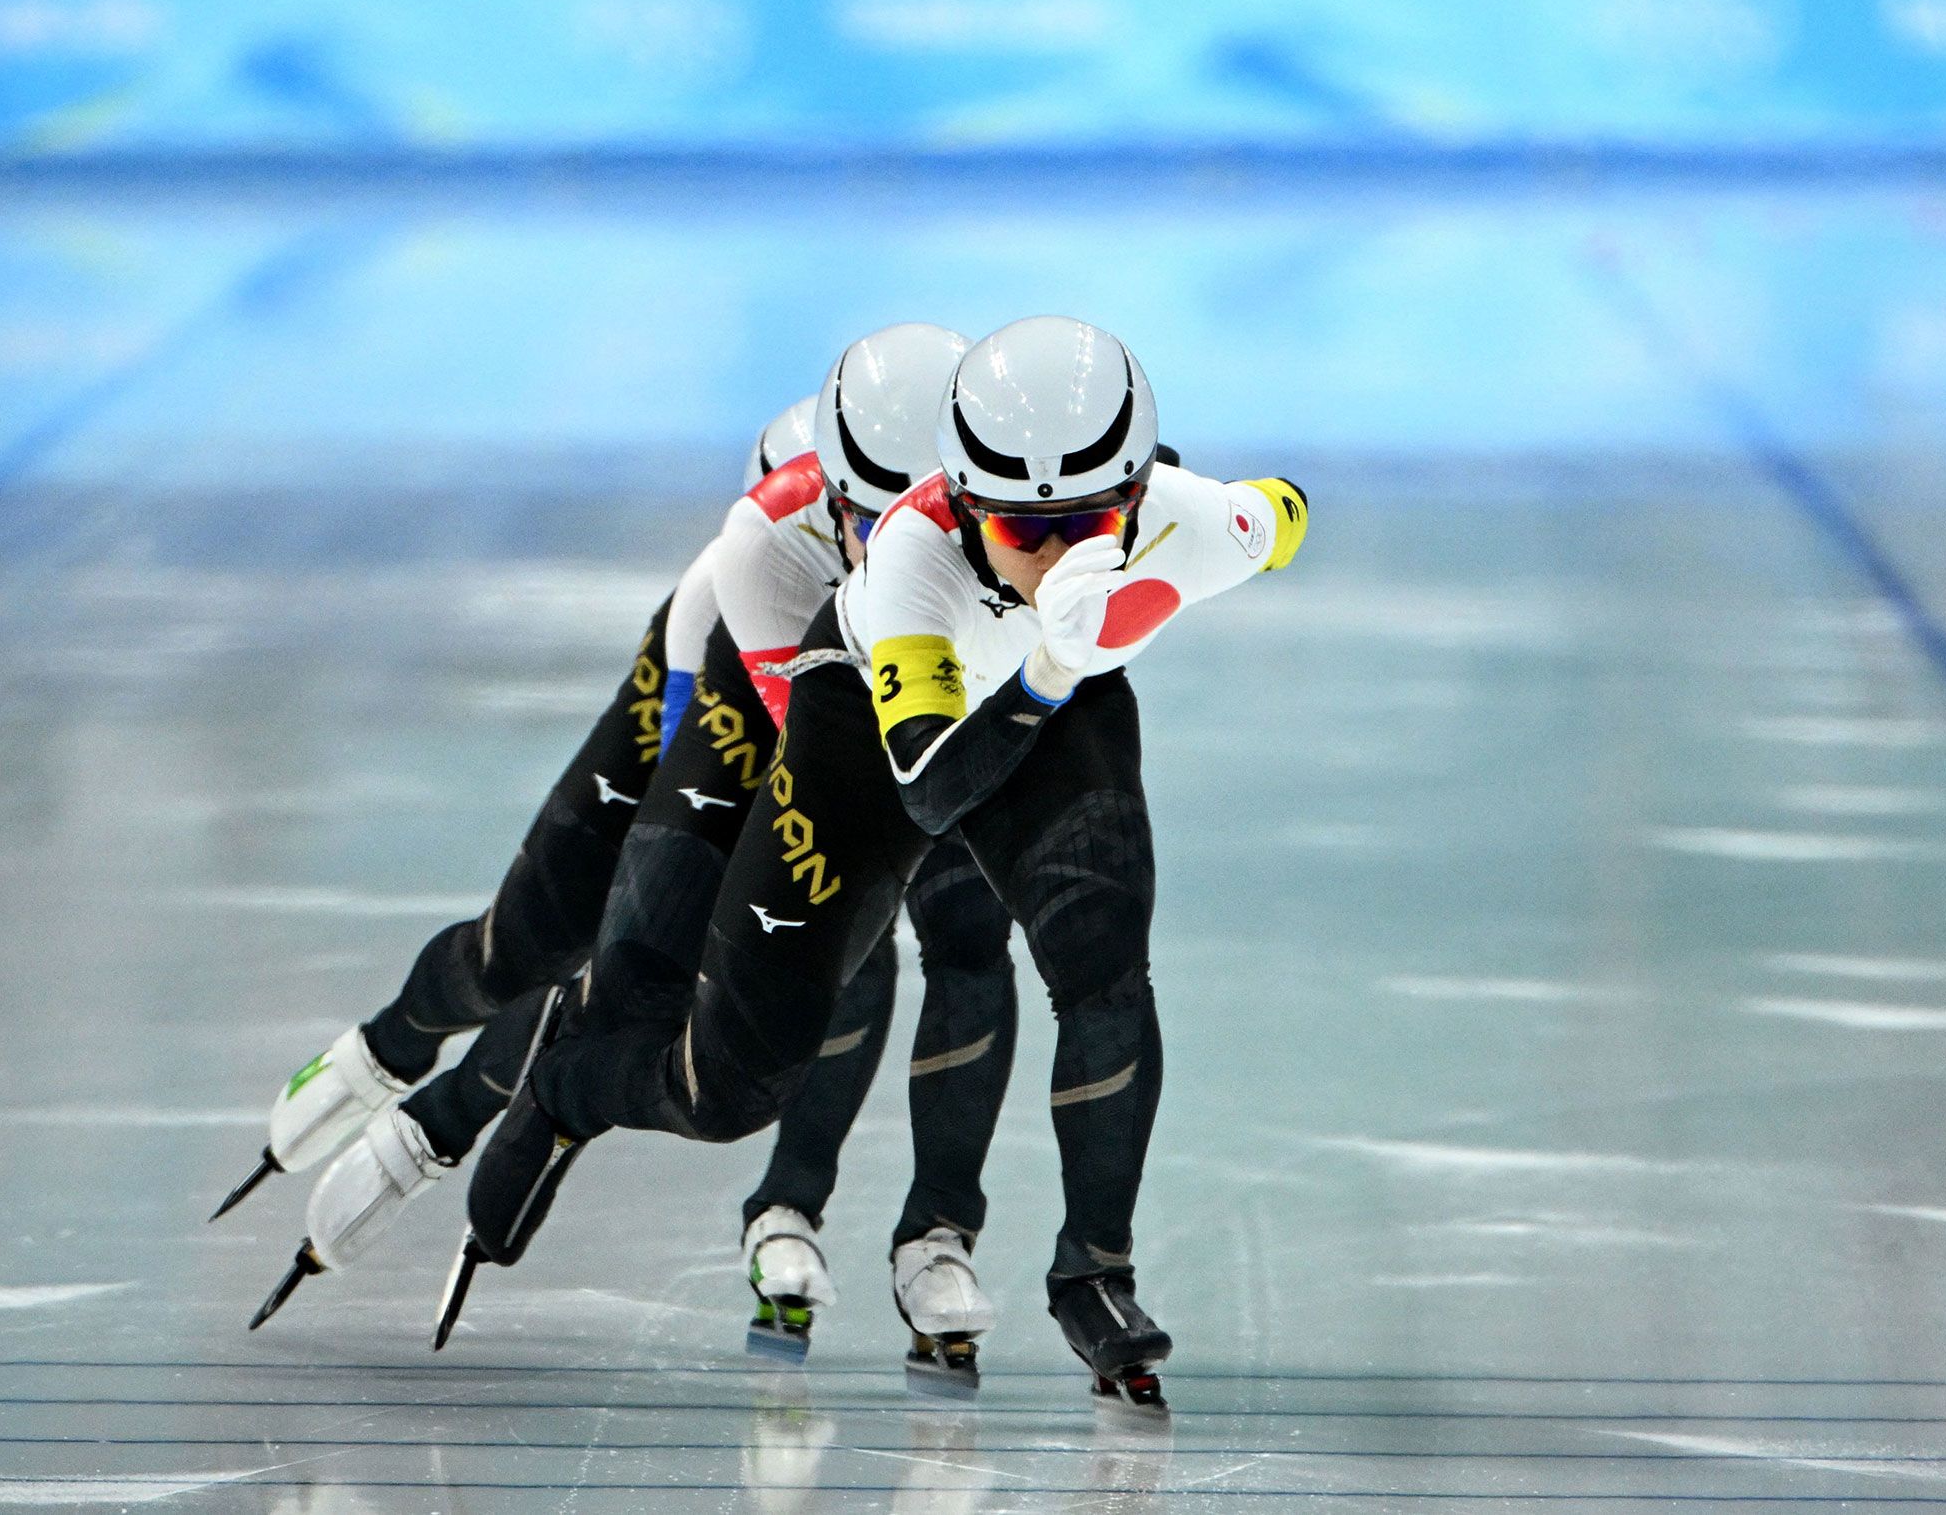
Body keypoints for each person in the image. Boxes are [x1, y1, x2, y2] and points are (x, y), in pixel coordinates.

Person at [453, 316, 1308, 1414]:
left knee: (1104, 961)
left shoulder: (1187, 523)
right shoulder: (912, 558)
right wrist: (1051, 660)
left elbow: (1279, 513)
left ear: (1138, 492)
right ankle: (572, 1076)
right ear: (958, 498)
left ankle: (1094, 1270)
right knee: (733, 1089)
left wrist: (1250, 526)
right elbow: (934, 796)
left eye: (1082, 522)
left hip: (1056, 694)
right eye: (1014, 530)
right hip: (872, 731)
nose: (1048, 556)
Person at [252, 328, 1023, 1386]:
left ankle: (833, 1211)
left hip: (879, 691)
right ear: (825, 500)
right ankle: (391, 1059)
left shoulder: (986, 553)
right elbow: (761, 797)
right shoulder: (752, 555)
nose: (880, 546)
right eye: (857, 521)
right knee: (537, 945)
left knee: (900, 935)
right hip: (723, 691)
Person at [211, 396, 817, 1224]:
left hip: (800, 728)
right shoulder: (719, 586)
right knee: (527, 951)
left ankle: (452, 1114)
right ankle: (392, 1042)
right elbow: (681, 766)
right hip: (693, 733)